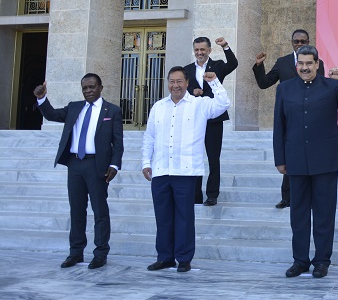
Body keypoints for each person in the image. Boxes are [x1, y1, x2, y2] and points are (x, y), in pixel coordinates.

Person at [273, 45, 338, 279]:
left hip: (326, 160)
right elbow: (278, 125)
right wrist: (279, 159)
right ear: (296, 65)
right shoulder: (284, 89)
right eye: (301, 63)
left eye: (309, 63)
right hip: (295, 160)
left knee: (324, 213)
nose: (304, 67)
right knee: (298, 213)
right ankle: (300, 260)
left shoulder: (331, 86)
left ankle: (322, 261)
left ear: (317, 64)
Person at [142, 67, 230, 273]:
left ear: (187, 82)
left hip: (186, 172)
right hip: (161, 170)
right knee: (163, 217)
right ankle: (164, 257)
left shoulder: (198, 105)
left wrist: (215, 82)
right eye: (172, 81)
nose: (175, 85)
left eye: (179, 81)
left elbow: (223, 104)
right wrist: (146, 162)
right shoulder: (158, 107)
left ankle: (183, 258)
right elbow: (149, 137)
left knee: (184, 217)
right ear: (167, 83)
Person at [34, 74, 123, 269]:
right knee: (76, 210)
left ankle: (100, 253)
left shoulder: (112, 111)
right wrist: (42, 98)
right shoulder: (74, 107)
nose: (88, 91)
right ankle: (75, 253)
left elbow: (118, 143)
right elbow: (52, 115)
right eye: (85, 88)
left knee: (100, 210)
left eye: (92, 87)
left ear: (101, 87)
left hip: (97, 166)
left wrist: (114, 165)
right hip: (75, 165)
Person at [253, 29, 326, 209]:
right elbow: (264, 83)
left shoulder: (317, 63)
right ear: (292, 43)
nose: (299, 44)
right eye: (296, 42)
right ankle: (287, 197)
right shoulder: (282, 62)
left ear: (309, 42)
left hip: (311, 116)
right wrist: (258, 65)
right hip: (290, 116)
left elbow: (320, 86)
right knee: (290, 156)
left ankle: (310, 196)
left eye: (303, 41)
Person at [184, 36, 238, 207]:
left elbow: (233, 64)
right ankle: (195, 194)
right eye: (197, 50)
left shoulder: (218, 66)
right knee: (195, 157)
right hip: (194, 119)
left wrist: (226, 46)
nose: (199, 52)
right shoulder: (186, 70)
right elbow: (182, 91)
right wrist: (193, 91)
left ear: (209, 50)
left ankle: (212, 195)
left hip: (214, 119)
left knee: (213, 158)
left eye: (202, 49)